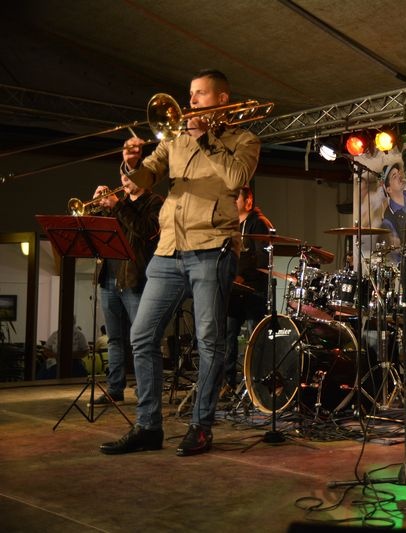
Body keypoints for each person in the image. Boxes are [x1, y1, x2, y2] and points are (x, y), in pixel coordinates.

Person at [100, 69, 260, 457]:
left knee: (209, 341)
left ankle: (201, 426)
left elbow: (236, 177)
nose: (191, 101)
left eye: (200, 94)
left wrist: (205, 138)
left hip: (213, 246)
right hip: (169, 248)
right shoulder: (174, 140)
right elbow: (143, 180)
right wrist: (131, 164)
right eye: (190, 94)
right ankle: (148, 426)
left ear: (222, 99)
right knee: (141, 335)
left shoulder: (244, 139)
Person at [89, 173, 162, 405]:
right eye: (122, 176)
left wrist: (117, 206)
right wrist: (99, 208)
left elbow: (145, 230)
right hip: (109, 277)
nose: (124, 181)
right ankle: (115, 388)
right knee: (114, 339)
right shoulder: (118, 204)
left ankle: (146, 390)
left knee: (142, 339)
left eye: (129, 177)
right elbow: (100, 233)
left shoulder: (154, 202)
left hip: (134, 279)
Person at [221, 186, 274, 398]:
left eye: (237, 198)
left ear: (248, 201)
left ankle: (255, 384)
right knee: (228, 336)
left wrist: (243, 276)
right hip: (236, 292)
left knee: (254, 339)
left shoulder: (258, 223)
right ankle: (228, 383)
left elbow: (263, 260)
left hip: (254, 291)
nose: (233, 202)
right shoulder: (232, 224)